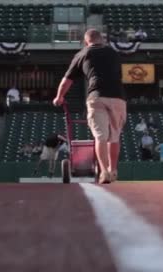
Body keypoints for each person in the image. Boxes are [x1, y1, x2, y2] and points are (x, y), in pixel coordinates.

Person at [53, 29, 127, 184]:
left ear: (86, 42)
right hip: (118, 97)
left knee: (100, 136)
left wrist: (59, 97)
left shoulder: (83, 53)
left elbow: (67, 80)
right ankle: (113, 171)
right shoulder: (113, 53)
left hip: (96, 97)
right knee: (114, 137)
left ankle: (104, 172)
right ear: (102, 40)